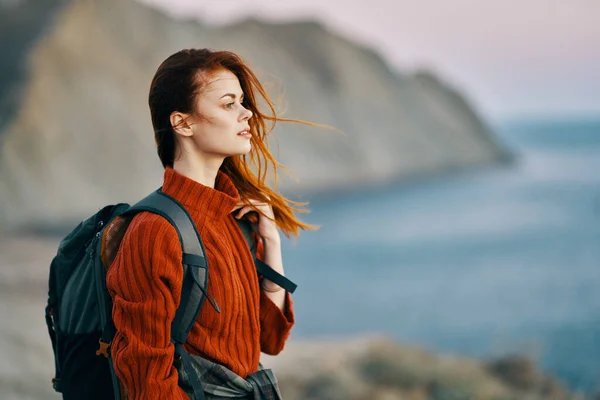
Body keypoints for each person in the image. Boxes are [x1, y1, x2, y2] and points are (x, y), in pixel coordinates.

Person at [104, 48, 317, 400]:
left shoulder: (236, 220)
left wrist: (271, 242)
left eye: (243, 102)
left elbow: (271, 340)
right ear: (183, 123)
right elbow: (146, 381)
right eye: (229, 103)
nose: (247, 113)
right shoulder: (154, 231)